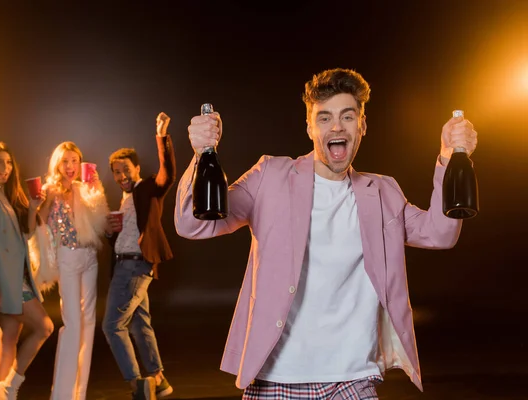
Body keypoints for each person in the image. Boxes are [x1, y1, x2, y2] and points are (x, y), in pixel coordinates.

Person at [174, 68, 478, 399]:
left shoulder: (383, 191)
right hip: (277, 377)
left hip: (354, 376)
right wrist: (200, 155)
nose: (336, 127)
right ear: (309, 126)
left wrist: (451, 157)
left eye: (347, 117)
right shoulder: (270, 176)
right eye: (324, 118)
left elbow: (440, 233)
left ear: (362, 125)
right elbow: (194, 224)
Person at [0, 142, 54, 400]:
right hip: (6, 281)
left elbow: (25, 236)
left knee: (8, 339)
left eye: (8, 163)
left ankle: (2, 395)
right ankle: (10, 386)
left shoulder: (3, 196)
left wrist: (31, 209)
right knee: (45, 327)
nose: (5, 168)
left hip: (16, 276)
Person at [102, 112, 176, 400]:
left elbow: (167, 173)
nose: (121, 177)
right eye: (116, 173)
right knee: (138, 322)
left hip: (134, 268)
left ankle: (138, 385)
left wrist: (161, 136)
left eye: (125, 170)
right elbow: (124, 238)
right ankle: (159, 379)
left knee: (112, 326)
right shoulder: (124, 200)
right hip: (127, 264)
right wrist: (110, 233)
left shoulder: (148, 188)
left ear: (137, 169)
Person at [38, 141, 109, 400]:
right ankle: (62, 395)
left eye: (75, 161)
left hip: (89, 256)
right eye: (66, 161)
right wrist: (50, 198)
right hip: (67, 257)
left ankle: (79, 393)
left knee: (89, 322)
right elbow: (39, 221)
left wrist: (96, 190)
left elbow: (100, 221)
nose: (70, 167)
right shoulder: (50, 189)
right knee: (73, 324)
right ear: (57, 163)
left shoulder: (83, 188)